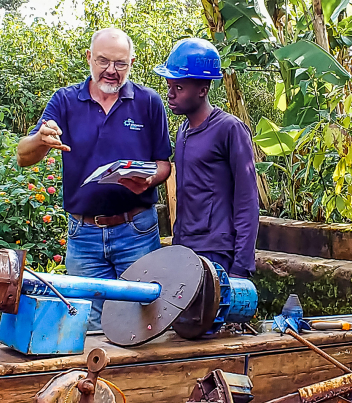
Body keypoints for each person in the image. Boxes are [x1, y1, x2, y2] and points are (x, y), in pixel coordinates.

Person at [16, 27, 172, 329]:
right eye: (103, 61)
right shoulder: (64, 101)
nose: (111, 71)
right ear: (89, 58)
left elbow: (163, 165)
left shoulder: (148, 102)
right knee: (87, 324)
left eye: (120, 63)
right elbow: (23, 156)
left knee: (146, 320)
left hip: (136, 231)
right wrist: (41, 140)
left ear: (132, 63)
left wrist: (149, 180)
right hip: (83, 235)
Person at [154, 38, 259, 278]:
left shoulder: (229, 129)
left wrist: (241, 266)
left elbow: (247, 201)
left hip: (217, 252)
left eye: (179, 88)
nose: (170, 94)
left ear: (203, 90)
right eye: (169, 86)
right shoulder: (183, 132)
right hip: (186, 248)